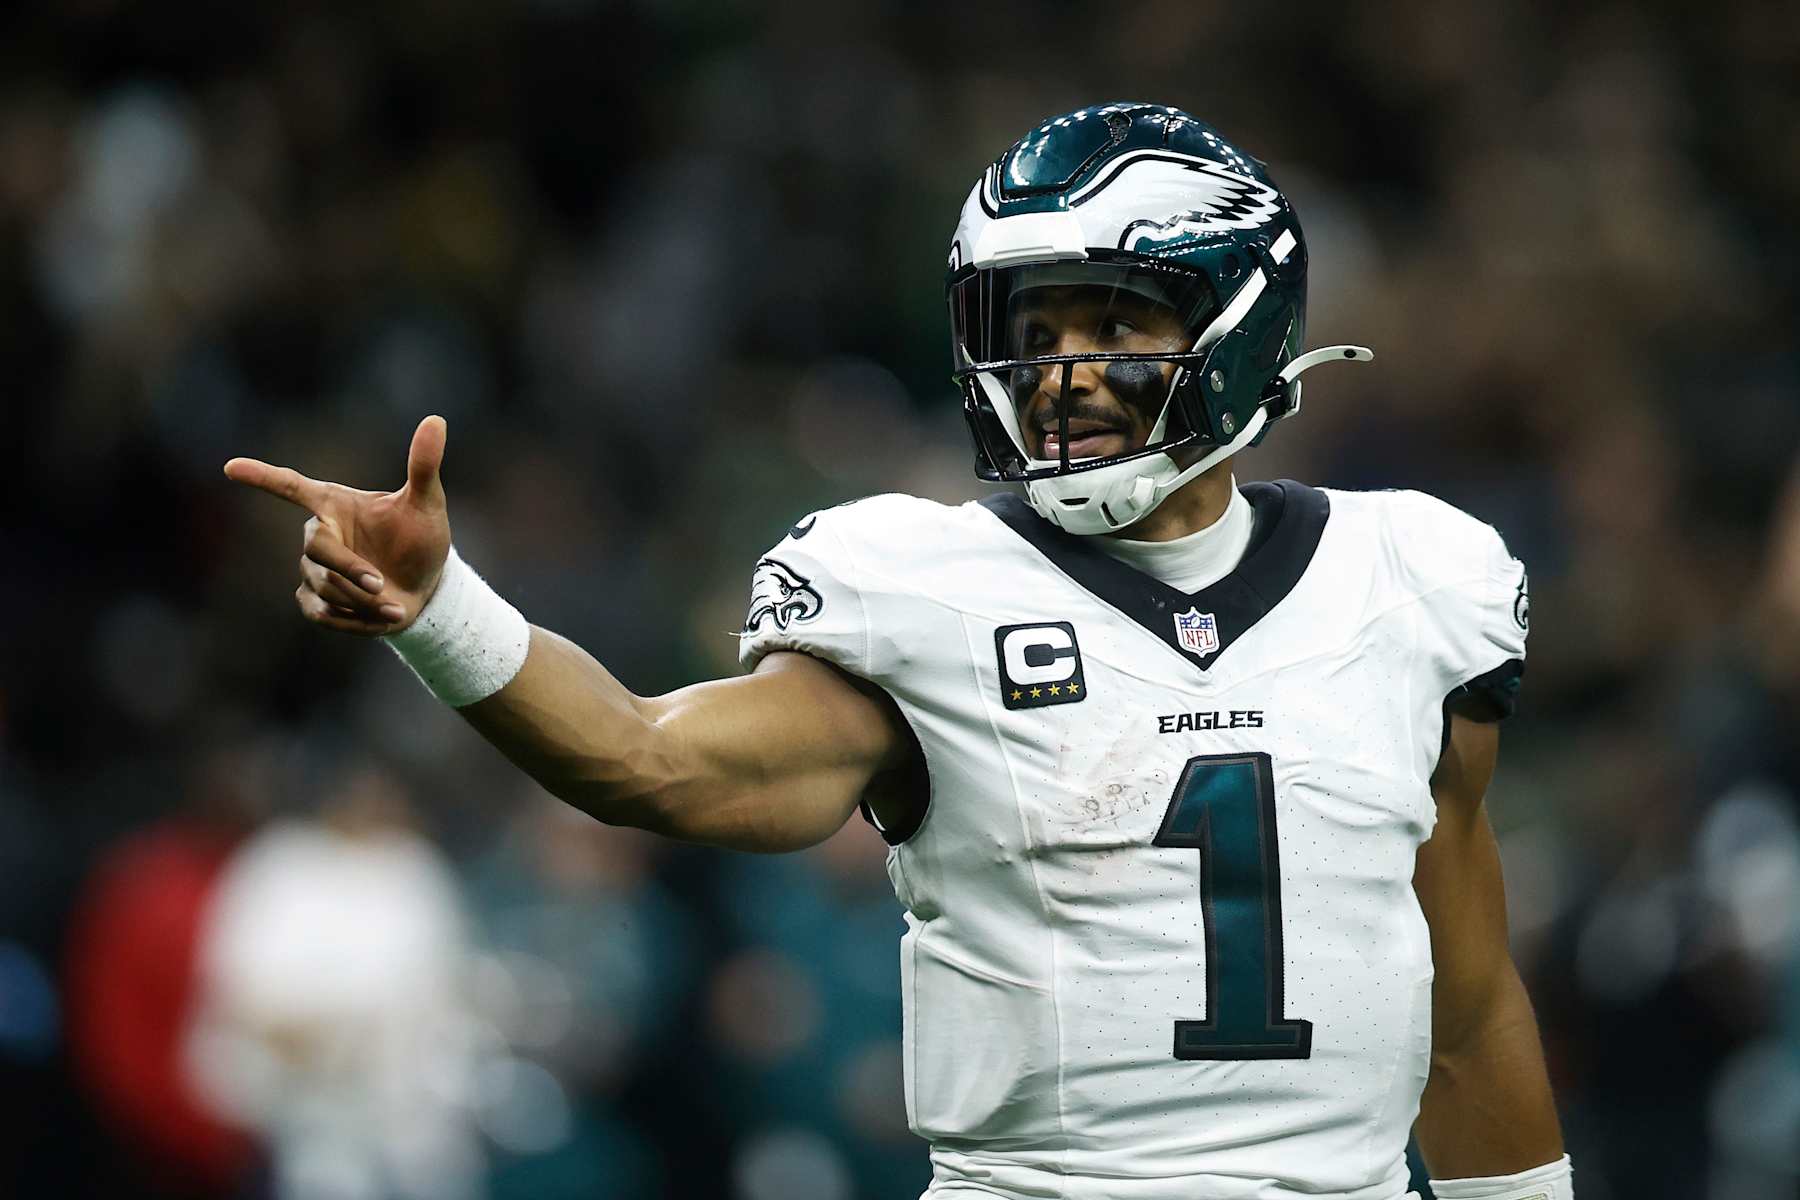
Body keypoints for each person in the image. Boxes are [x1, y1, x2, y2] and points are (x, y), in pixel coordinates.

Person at [226, 103, 1570, 1200]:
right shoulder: (925, 588)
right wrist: (442, 606)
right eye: (1035, 334)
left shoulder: (1408, 583)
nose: (1066, 373)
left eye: (1113, 324)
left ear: (1240, 318)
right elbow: (651, 760)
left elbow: (1465, 1013)